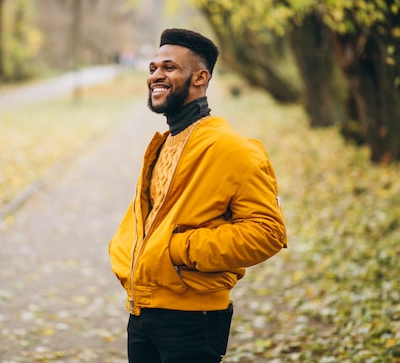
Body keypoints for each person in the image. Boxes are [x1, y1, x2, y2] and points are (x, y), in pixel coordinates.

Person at [108, 28, 288, 363]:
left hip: (193, 320)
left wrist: (178, 250)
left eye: (169, 68)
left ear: (200, 77)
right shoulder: (163, 144)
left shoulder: (232, 148)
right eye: (152, 69)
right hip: (141, 312)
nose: (156, 76)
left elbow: (269, 233)